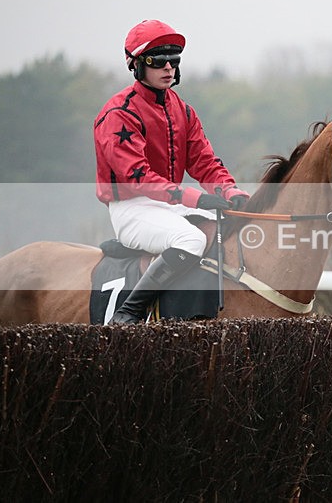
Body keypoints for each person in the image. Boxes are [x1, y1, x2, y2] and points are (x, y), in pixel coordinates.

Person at [94, 19, 249, 324]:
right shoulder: (119, 113)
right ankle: (130, 312)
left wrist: (231, 191)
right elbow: (136, 176)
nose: (168, 68)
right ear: (137, 65)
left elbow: (205, 163)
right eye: (158, 61)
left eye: (173, 61)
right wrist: (193, 198)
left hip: (170, 205)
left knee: (226, 231)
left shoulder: (183, 111)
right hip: (132, 207)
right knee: (190, 241)